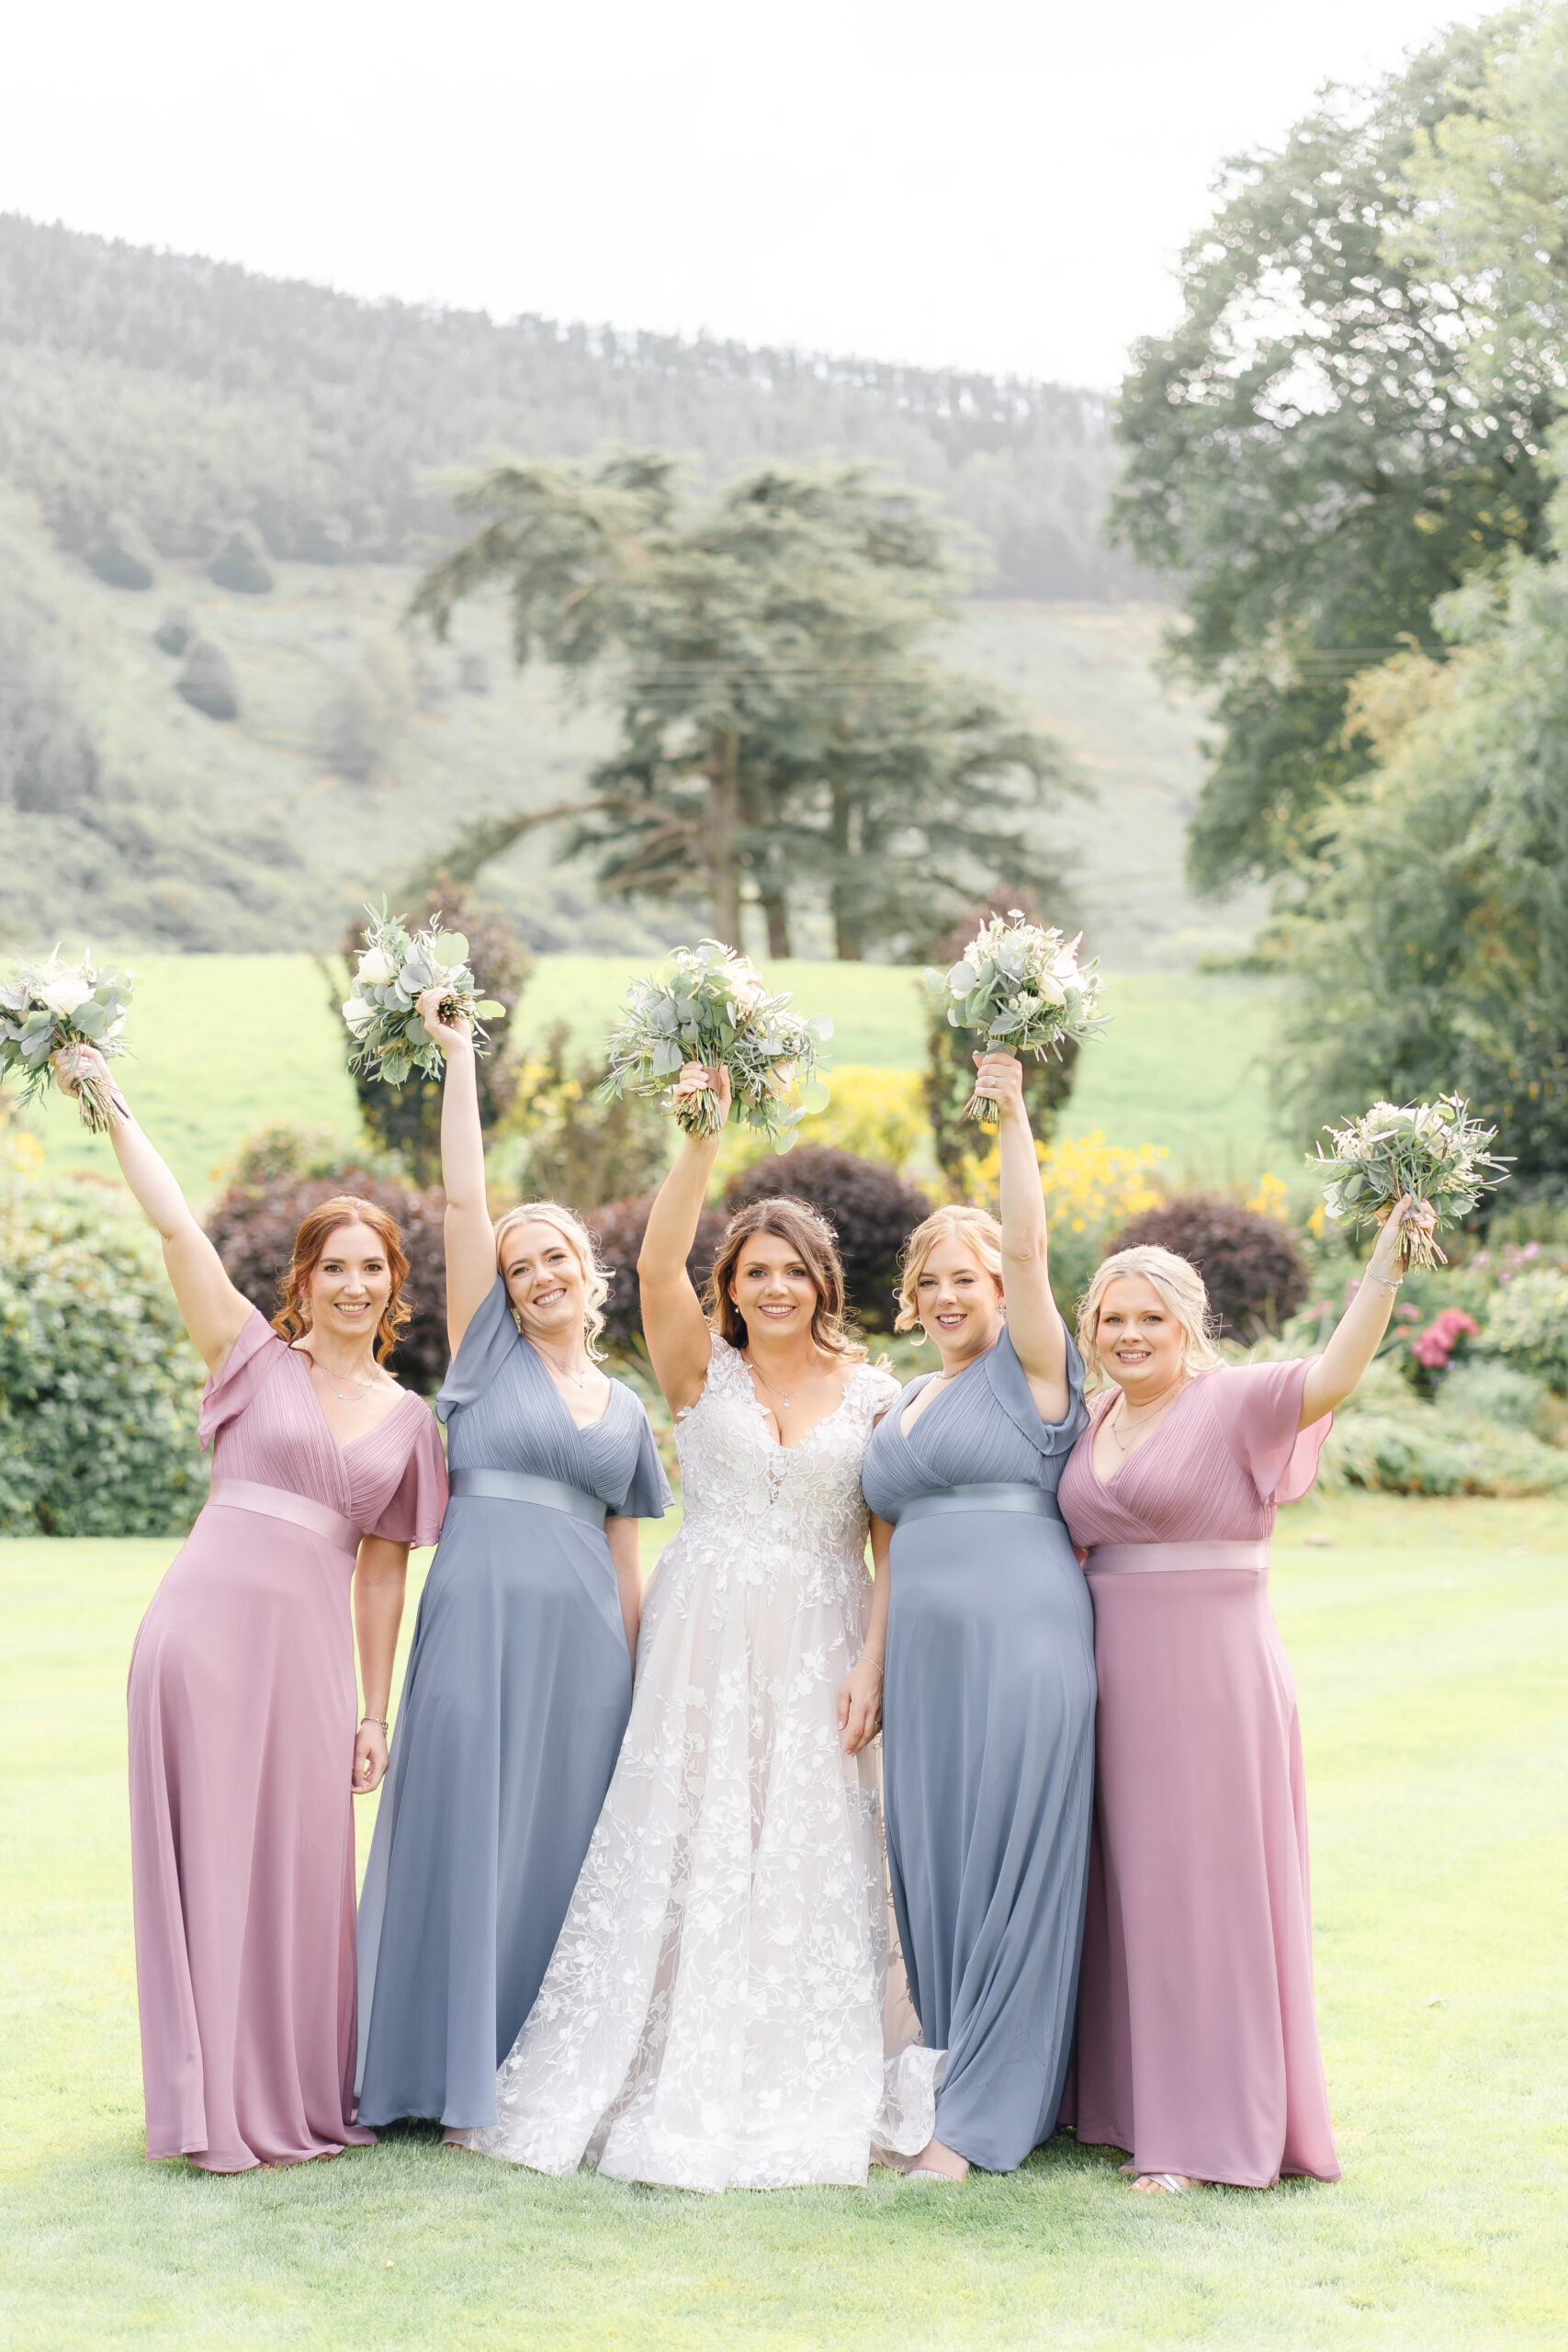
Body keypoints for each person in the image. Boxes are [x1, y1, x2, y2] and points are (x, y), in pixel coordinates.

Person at [459, 1062, 938, 2188]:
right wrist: (700, 1137)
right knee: (681, 1834)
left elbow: (887, 1543)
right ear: (731, 1285)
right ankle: (645, 2055)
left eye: (792, 1271)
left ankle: (791, 2065)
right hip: (702, 1634)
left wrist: (875, 1658)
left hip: (824, 1631)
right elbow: (657, 1257)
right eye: (754, 1271)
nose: (773, 1288)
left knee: (808, 1841)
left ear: (824, 1283)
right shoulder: (695, 1371)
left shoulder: (876, 1395)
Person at [53, 1043, 446, 2173]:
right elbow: (180, 1231)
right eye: (335, 1266)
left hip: (310, 1660)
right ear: (304, 1279)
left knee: (293, 1870)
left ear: (393, 1284)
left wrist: (374, 1711)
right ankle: (202, 2106)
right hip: (202, 1636)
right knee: (209, 1864)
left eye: (374, 1267)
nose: (355, 1284)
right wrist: (110, 1101)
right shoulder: (248, 1358)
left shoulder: (412, 1424)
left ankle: (282, 2096)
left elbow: (383, 1572)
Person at [1056, 1198, 1435, 2194]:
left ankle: (1200, 2134)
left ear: (1191, 1326)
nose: (1130, 1336)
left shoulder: (1237, 1400)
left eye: (1152, 1319)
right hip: (1110, 1677)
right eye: (1112, 1319)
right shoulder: (1092, 1416)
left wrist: (1385, 1263)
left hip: (1212, 1680)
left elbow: (1337, 1371)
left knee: (1204, 1897)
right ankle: (1122, 2103)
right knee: (1126, 1892)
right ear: (1092, 1331)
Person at [355, 992, 670, 2139]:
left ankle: (533, 2074)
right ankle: (433, 2076)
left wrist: (637, 1681)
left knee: (559, 1847)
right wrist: (457, 1060)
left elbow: (624, 1549)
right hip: (477, 1619)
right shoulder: (484, 1355)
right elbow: (462, 1196)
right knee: (460, 1823)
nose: (537, 1273)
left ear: (591, 1272)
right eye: (519, 1262)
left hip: (586, 1648)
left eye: (555, 1258)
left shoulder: (628, 1409)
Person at [858, 1049, 1093, 2181]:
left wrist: (1009, 1120)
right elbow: (888, 1543)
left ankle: (985, 2117)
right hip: (927, 1663)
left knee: (1009, 1867)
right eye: (934, 1281)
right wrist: (875, 1661)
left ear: (1003, 1290)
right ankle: (948, 2080)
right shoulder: (906, 1401)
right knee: (936, 1868)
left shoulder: (1032, 1373)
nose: (950, 1297)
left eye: (970, 1278)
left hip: (1021, 1645)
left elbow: (1036, 1243)